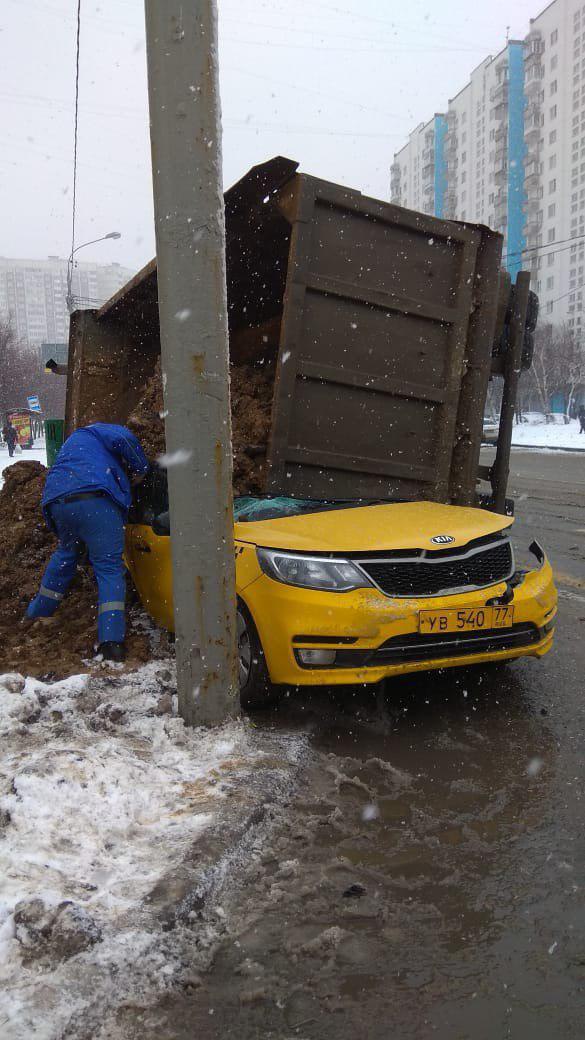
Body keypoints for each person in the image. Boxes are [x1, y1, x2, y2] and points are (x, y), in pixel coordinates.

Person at [26, 423, 149, 661]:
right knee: (109, 568)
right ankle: (111, 642)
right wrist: (142, 469)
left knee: (66, 555)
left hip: (57, 501)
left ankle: (37, 613)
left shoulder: (75, 442)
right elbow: (124, 439)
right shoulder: (101, 430)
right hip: (95, 499)